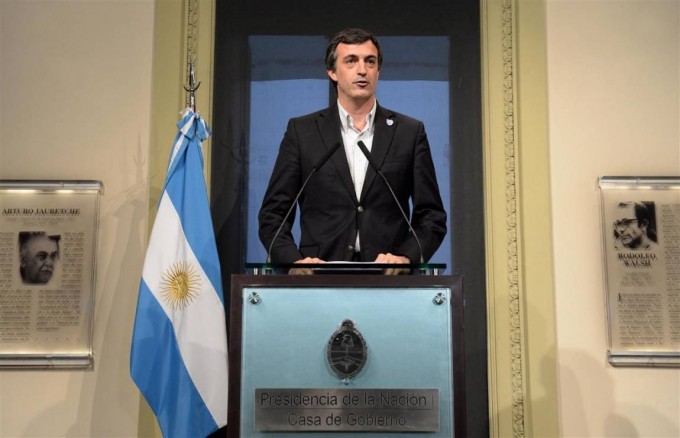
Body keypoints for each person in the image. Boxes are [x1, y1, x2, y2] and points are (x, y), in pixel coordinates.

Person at [258, 28, 447, 274]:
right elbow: (273, 215)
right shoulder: (302, 132)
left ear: (378, 70)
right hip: (318, 275)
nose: (362, 70)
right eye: (351, 61)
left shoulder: (409, 132)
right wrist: (292, 261)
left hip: (389, 278)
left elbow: (432, 216)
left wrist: (406, 257)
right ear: (332, 71)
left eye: (370, 61)